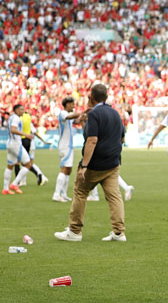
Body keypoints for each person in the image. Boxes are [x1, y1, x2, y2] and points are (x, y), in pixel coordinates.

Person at [54, 83, 127, 243]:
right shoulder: (115, 113)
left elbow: (92, 140)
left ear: (91, 97)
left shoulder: (94, 114)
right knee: (114, 196)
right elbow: (121, 138)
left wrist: (85, 165)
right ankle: (119, 232)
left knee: (80, 192)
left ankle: (74, 231)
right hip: (113, 163)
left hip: (95, 164)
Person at [52, 96, 81, 202]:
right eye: (72, 104)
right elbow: (71, 117)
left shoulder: (68, 115)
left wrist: (84, 117)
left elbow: (76, 120)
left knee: (69, 169)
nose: (73, 106)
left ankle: (63, 193)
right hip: (64, 146)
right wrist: (84, 111)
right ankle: (56, 194)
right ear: (67, 104)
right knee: (64, 168)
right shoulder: (63, 113)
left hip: (68, 145)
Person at [3, 104, 36, 195]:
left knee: (10, 166)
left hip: (10, 143)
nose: (23, 111)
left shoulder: (12, 117)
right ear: (16, 110)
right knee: (28, 164)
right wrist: (26, 134)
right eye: (21, 109)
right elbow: (13, 130)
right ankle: (14, 184)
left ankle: (5, 188)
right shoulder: (16, 118)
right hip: (16, 144)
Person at [15, 108, 48, 187]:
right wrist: (43, 140)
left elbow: (34, 132)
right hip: (29, 142)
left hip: (25, 142)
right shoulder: (27, 120)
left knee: (24, 162)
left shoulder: (19, 120)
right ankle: (23, 181)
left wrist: (43, 140)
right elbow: (34, 132)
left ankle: (40, 175)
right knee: (25, 162)